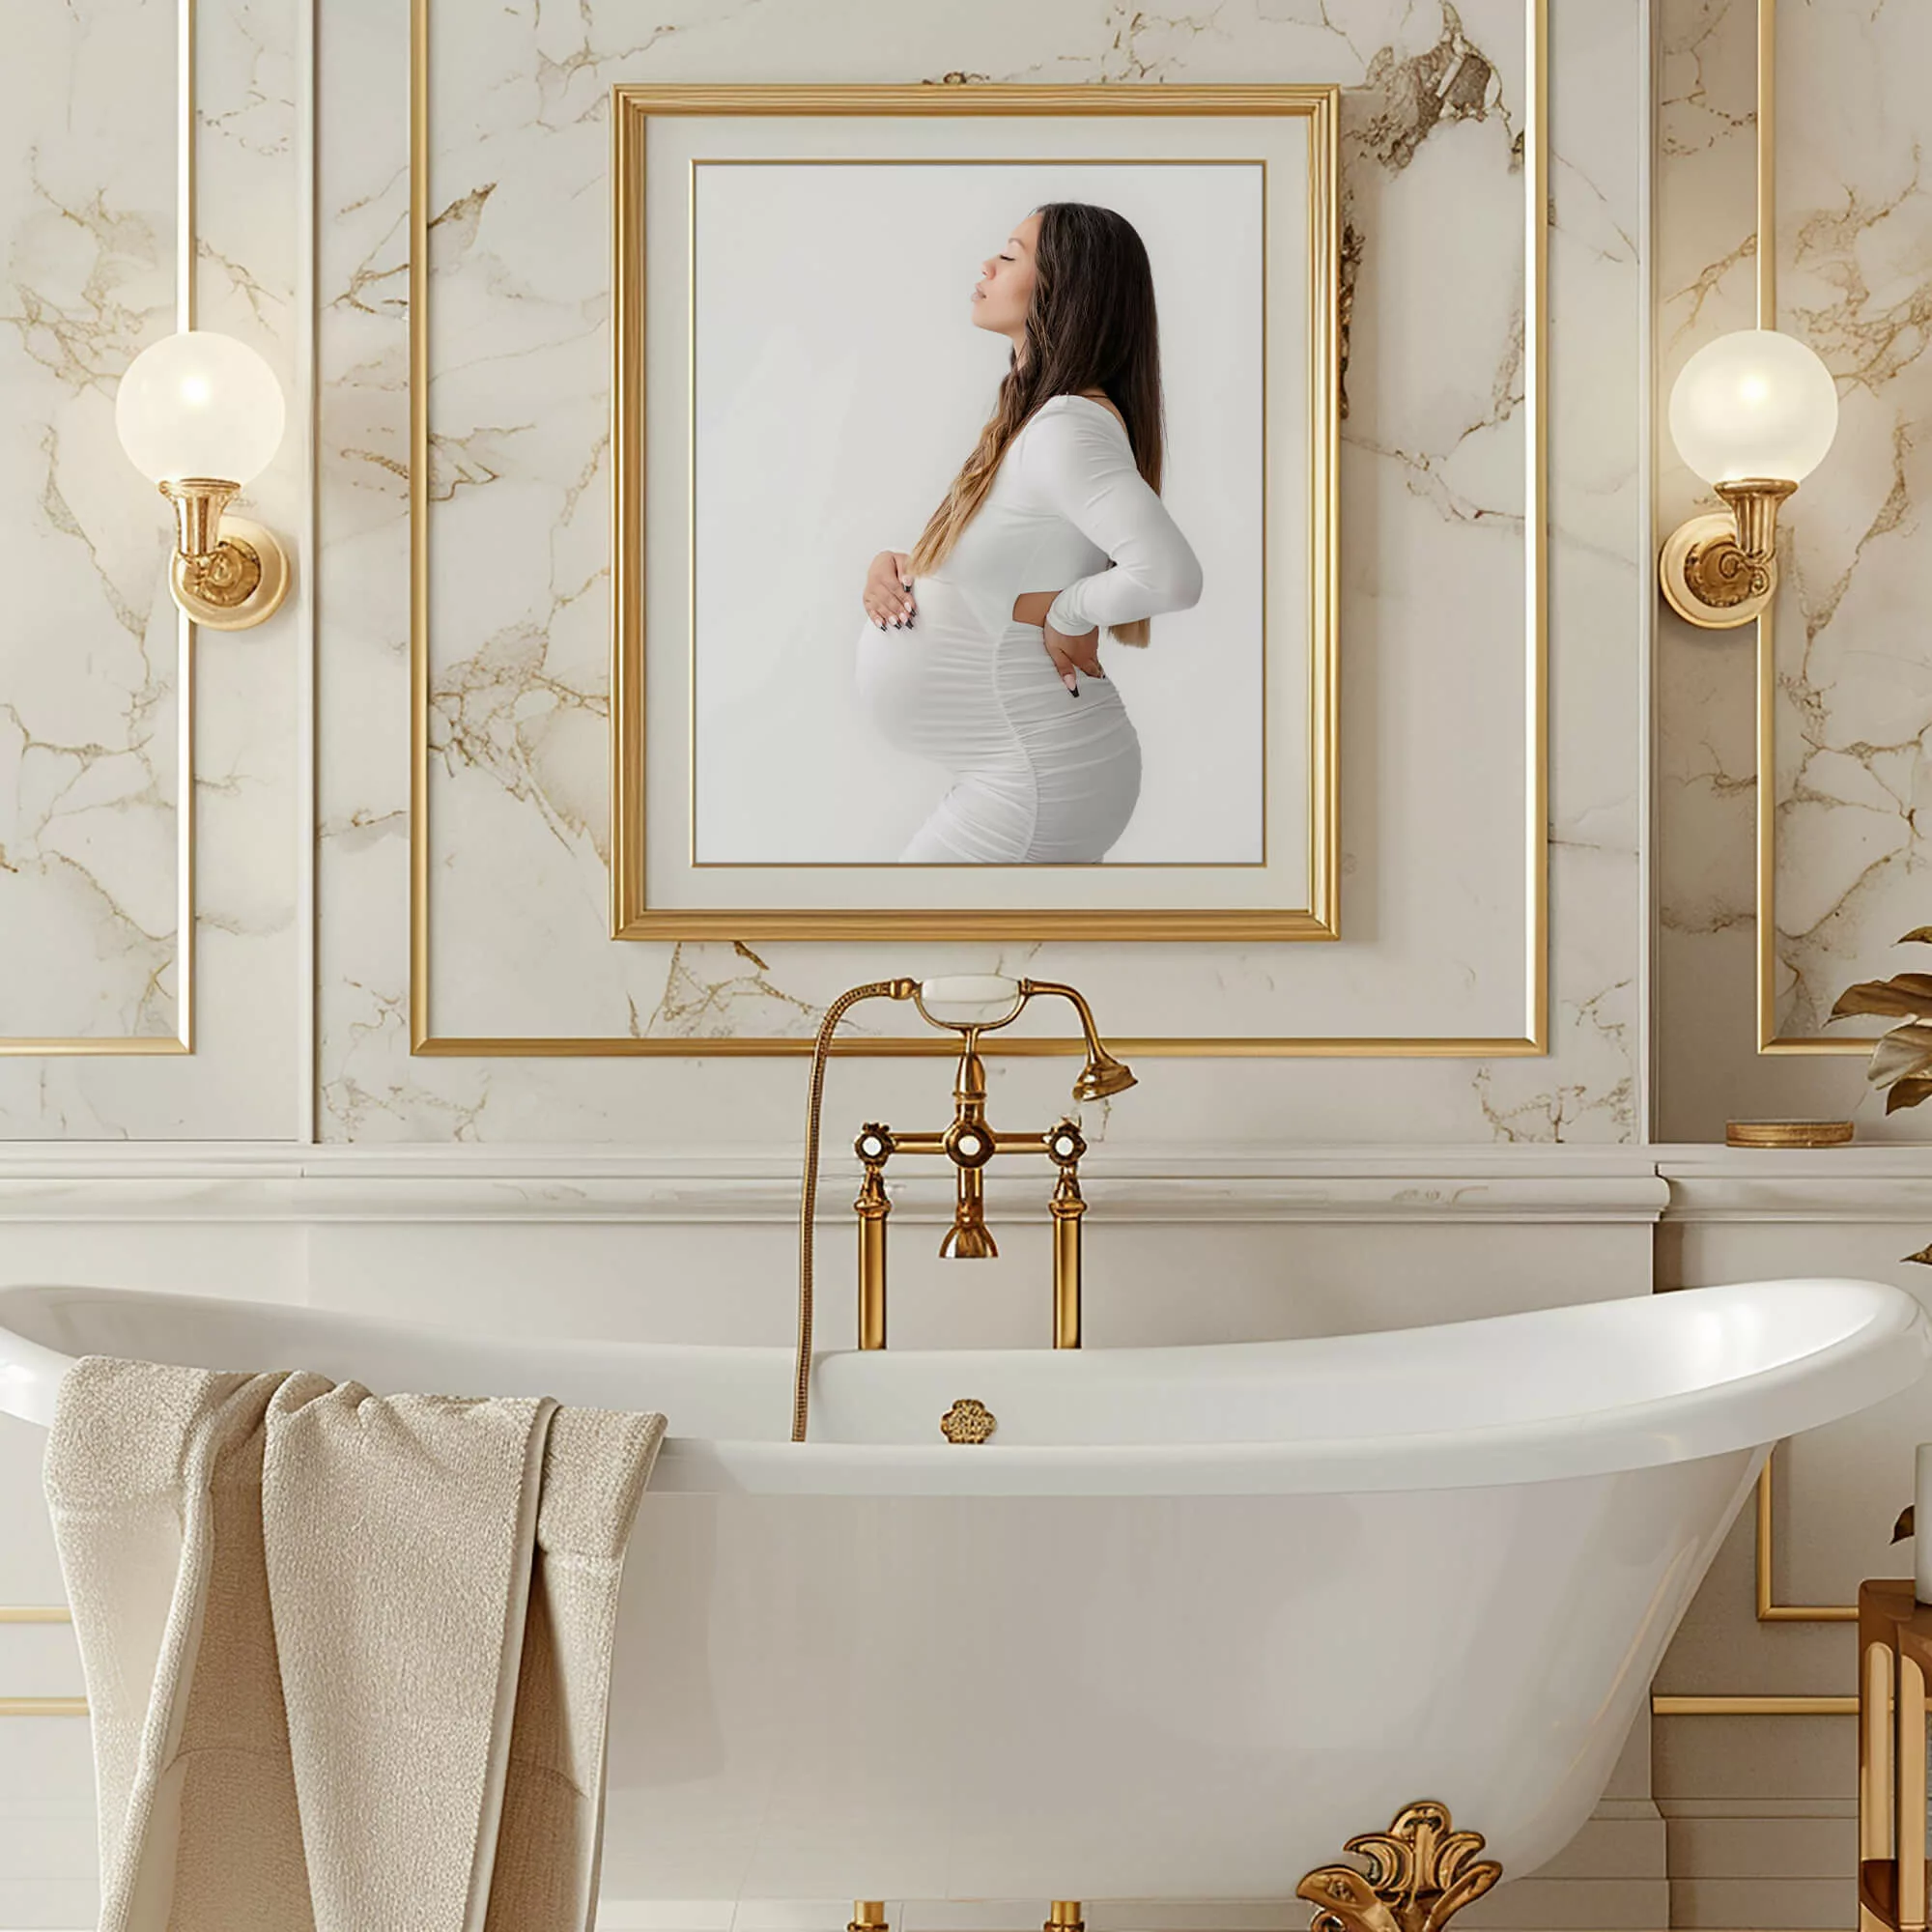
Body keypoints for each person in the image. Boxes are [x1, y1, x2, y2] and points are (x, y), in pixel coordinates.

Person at [857, 201, 1203, 865]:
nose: (986, 264)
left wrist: (1072, 613)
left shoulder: (1067, 426)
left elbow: (1171, 575)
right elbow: (1018, 560)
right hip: (1023, 765)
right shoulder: (1040, 421)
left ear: (1063, 290)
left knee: (922, 946)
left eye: (1011, 255)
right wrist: (905, 569)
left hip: (1037, 770)